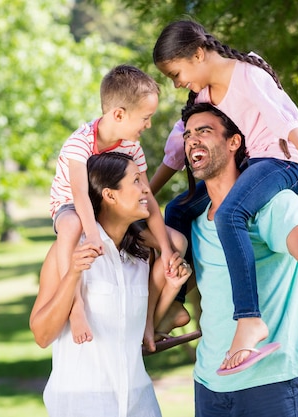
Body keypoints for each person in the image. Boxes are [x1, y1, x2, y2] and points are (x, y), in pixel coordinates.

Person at [150, 19, 298, 369]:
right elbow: (176, 151)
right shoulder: (204, 96)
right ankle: (175, 303)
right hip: (252, 168)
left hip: (283, 163)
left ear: (198, 54)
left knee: (230, 214)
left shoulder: (247, 75)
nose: (177, 84)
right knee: (177, 210)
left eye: (176, 73)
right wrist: (147, 193)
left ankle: (250, 319)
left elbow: (284, 118)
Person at [180, 103, 298, 414]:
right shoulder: (195, 219)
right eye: (187, 135)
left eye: (204, 132)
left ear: (234, 142)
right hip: (209, 383)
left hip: (268, 385)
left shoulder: (273, 205)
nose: (192, 141)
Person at [30, 152, 192, 417]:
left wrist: (172, 287)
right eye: (136, 181)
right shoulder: (69, 251)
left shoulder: (142, 256)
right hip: (82, 405)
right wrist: (72, 275)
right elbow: (42, 335)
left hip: (140, 403)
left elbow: (138, 333)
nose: (146, 190)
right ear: (110, 195)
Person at [48, 64, 185, 350]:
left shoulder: (130, 147)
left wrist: (166, 248)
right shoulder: (79, 143)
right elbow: (80, 195)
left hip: (111, 211)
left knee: (177, 241)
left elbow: (147, 197)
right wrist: (93, 235)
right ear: (119, 114)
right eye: (145, 118)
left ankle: (149, 321)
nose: (148, 125)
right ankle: (75, 309)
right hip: (72, 206)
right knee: (72, 225)